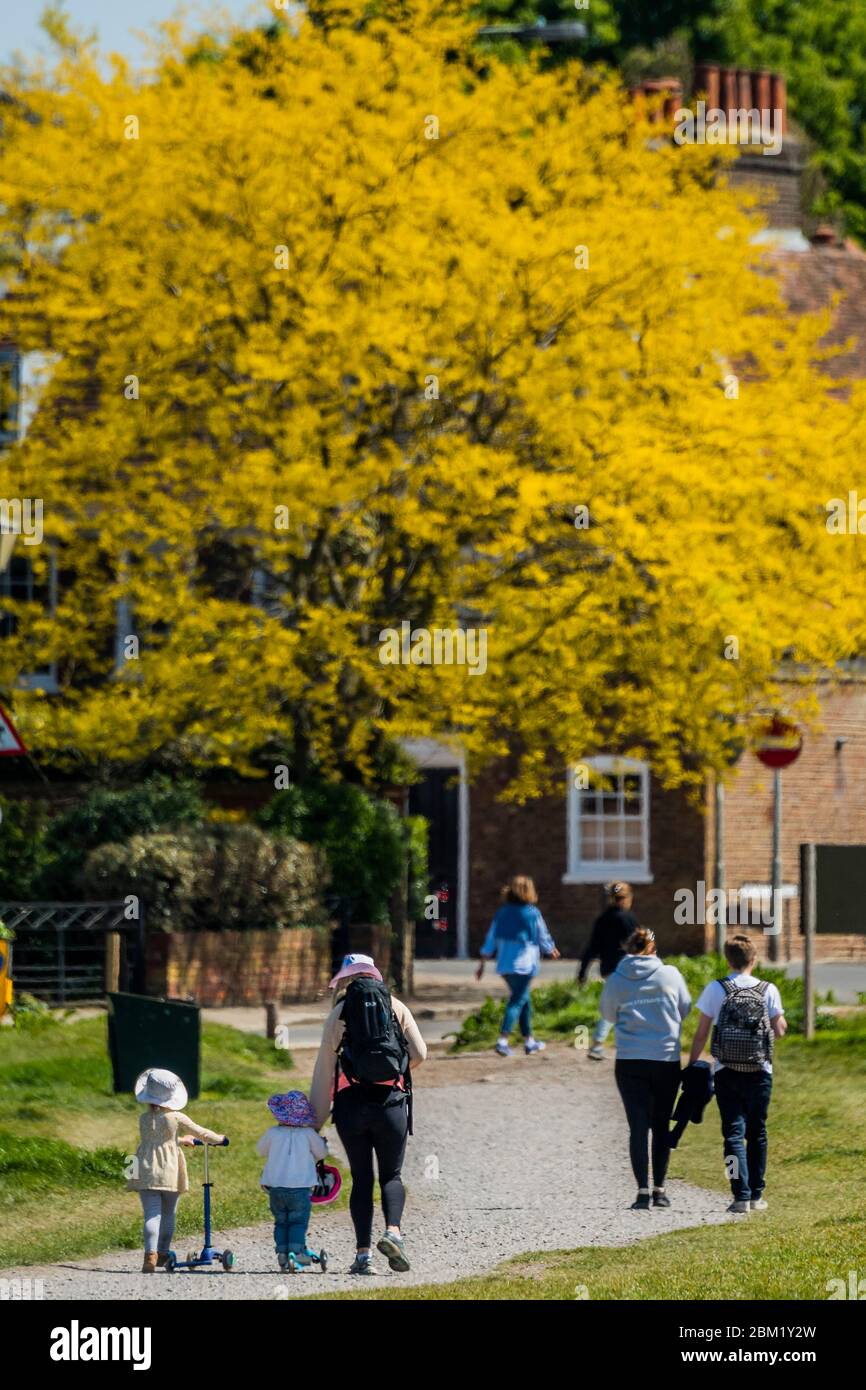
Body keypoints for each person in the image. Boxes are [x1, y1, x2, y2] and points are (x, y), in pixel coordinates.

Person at [310, 953, 427, 1276]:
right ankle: (393, 1232)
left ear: (345, 980)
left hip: (351, 1108)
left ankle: (363, 1257)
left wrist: (314, 1121)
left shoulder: (338, 1013)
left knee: (362, 1178)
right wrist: (396, 1074)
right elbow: (421, 1054)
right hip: (390, 1104)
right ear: (374, 975)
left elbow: (324, 1070)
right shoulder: (396, 1006)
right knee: (391, 1175)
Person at [688, 933, 787, 1214]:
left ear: (728, 960)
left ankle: (739, 1195)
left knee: (733, 1134)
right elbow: (779, 1031)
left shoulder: (716, 988)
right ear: (754, 960)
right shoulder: (768, 989)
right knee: (758, 1133)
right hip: (760, 1070)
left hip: (725, 1070)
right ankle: (757, 1194)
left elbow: (701, 1033)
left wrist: (694, 1064)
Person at [600, 927, 691, 1210]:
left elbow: (607, 1014)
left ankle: (641, 1192)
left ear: (628, 948)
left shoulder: (616, 979)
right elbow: (684, 1008)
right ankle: (660, 1191)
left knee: (637, 1127)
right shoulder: (671, 974)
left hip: (629, 1059)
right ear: (653, 948)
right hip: (665, 1058)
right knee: (661, 1124)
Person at [128, 1067, 225, 1273]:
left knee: (151, 1215)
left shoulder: (144, 1119)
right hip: (168, 1169)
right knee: (168, 1213)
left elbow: (158, 1140)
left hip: (144, 1168)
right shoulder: (176, 1117)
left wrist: (180, 1140)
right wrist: (220, 1139)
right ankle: (163, 1251)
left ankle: (149, 1256)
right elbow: (201, 1132)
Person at [475, 875, 560, 1057]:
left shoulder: (502, 913)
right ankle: (502, 1040)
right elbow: (542, 936)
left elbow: (491, 939)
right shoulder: (532, 913)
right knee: (516, 1002)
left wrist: (482, 962)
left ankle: (529, 1041)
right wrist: (551, 949)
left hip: (505, 965)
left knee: (524, 1001)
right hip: (525, 965)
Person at [257, 1090, 329, 1271]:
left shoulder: (273, 1132)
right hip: (300, 1188)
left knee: (281, 1221)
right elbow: (321, 1154)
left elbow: (260, 1150)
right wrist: (323, 1143)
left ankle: (282, 1253)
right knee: (298, 1221)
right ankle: (296, 1253)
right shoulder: (308, 1134)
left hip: (276, 1188)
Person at [578, 882, 639, 1061]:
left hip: (608, 970)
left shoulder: (602, 919)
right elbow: (640, 946)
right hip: (627, 970)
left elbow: (592, 947)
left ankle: (599, 1044)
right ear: (628, 898)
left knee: (616, 1007)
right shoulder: (628, 919)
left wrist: (582, 972)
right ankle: (620, 1045)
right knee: (630, 1007)